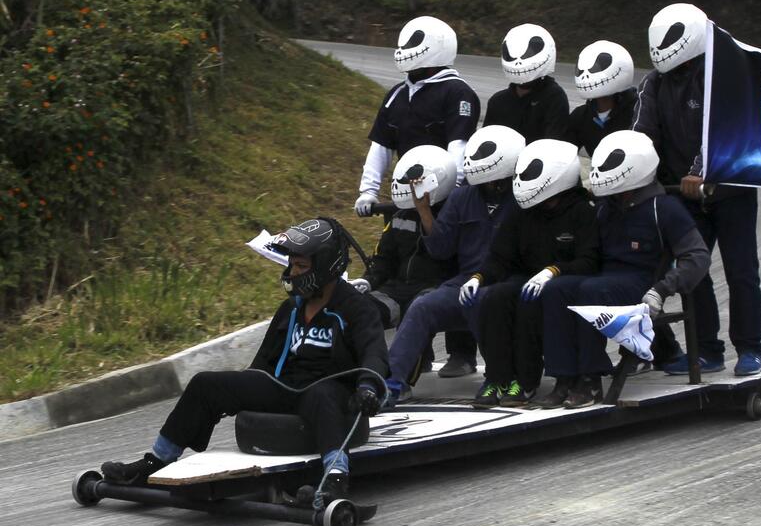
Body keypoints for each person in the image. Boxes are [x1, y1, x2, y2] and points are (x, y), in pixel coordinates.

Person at [101, 218, 387, 502]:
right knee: (205, 384)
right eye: (291, 265)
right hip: (286, 387)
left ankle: (334, 479)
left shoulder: (357, 309)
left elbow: (374, 354)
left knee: (323, 395)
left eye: (301, 267)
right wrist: (243, 391)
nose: (292, 273)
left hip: (329, 393)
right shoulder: (291, 309)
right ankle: (157, 461)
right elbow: (262, 365)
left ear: (326, 266)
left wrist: (368, 388)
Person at [633, 2, 761, 377]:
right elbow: (643, 136)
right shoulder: (653, 84)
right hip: (684, 195)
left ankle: (751, 348)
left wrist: (700, 171)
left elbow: (726, 128)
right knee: (693, 270)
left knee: (742, 271)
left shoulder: (723, 75)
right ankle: (708, 349)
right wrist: (639, 171)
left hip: (731, 190)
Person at [538, 131, 711, 408]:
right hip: (603, 276)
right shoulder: (605, 208)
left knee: (590, 289)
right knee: (557, 289)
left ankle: (590, 378)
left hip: (643, 281)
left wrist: (663, 289)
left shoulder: (664, 207)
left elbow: (697, 256)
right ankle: (564, 375)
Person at [354, 16, 481, 378]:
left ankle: (461, 352)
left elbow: (460, 146)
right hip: (405, 195)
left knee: (451, 268)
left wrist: (452, 190)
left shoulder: (458, 93)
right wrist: (368, 190)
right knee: (406, 266)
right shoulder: (396, 95)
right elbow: (380, 147)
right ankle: (419, 354)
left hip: (446, 197)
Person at [385, 126, 524, 401]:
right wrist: (424, 210)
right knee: (422, 306)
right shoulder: (462, 197)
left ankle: (499, 377)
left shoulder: (523, 198)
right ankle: (392, 383)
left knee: (482, 302)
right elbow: (440, 248)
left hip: (509, 282)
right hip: (466, 281)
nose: (487, 184)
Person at [459, 139, 599, 408]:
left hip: (564, 280)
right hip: (527, 279)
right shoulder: (522, 213)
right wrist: (479, 277)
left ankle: (525, 381)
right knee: (494, 298)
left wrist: (553, 271)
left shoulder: (581, 212)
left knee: (529, 304)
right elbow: (501, 256)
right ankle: (499, 378)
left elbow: (590, 260)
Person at [348, 145, 459, 400]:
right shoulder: (398, 216)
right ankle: (358, 374)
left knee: (418, 308)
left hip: (436, 286)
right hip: (397, 288)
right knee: (359, 308)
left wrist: (425, 213)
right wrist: (367, 281)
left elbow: (446, 251)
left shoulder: (453, 213)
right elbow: (383, 259)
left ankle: (400, 381)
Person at [484, 23, 569, 142]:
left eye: (527, 54)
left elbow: (553, 143)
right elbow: (485, 143)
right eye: (513, 56)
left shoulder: (554, 98)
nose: (519, 62)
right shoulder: (498, 101)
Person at [565, 40, 638, 157]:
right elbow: (564, 152)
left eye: (595, 69)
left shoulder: (638, 112)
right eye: (582, 71)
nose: (586, 75)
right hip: (599, 172)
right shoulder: (581, 116)